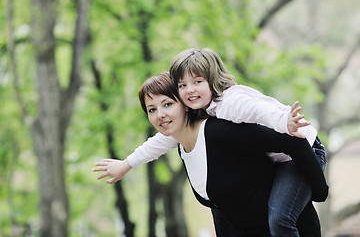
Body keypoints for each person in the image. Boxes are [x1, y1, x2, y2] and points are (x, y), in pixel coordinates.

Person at [94, 48, 327, 236]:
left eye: (167, 104)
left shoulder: (228, 108)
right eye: (151, 109)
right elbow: (158, 143)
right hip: (281, 167)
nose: (160, 115)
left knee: (280, 219)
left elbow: (267, 119)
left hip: (302, 146)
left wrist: (285, 122)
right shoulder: (185, 136)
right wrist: (126, 164)